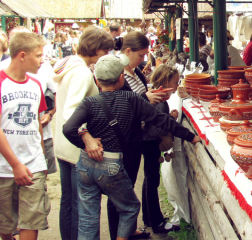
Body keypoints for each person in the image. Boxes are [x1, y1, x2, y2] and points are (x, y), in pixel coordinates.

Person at [63, 54, 200, 240]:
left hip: (87, 166)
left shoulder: (89, 102)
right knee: (130, 207)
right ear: (121, 77)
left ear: (97, 80)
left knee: (88, 216)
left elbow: (68, 128)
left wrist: (87, 143)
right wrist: (190, 136)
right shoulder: (131, 98)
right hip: (112, 164)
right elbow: (161, 120)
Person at [53, 27, 114, 240]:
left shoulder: (68, 65)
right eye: (105, 52)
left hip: (62, 145)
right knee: (80, 205)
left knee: (68, 203)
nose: (106, 57)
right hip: (76, 147)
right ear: (96, 49)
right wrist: (86, 137)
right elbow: (72, 111)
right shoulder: (81, 72)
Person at [105, 31, 167, 240]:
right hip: (125, 139)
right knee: (120, 190)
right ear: (128, 51)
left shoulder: (135, 71)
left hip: (137, 137)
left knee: (130, 186)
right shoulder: (116, 73)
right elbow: (118, 105)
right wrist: (145, 97)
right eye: (140, 55)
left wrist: (152, 96)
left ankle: (129, 229)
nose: (143, 59)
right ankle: (118, 233)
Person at [0, 32, 50, 240]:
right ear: (22, 56)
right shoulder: (2, 83)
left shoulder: (36, 84)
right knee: (5, 222)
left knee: (32, 218)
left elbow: (36, 123)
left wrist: (42, 158)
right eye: (38, 55)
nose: (42, 60)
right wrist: (15, 164)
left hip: (33, 164)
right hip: (3, 166)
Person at [143, 65, 185, 233]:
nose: (177, 85)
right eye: (175, 82)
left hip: (147, 143)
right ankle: (156, 222)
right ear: (166, 81)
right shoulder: (160, 102)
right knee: (152, 181)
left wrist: (168, 117)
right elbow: (155, 128)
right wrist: (169, 124)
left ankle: (149, 217)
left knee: (149, 180)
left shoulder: (155, 97)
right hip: (150, 143)